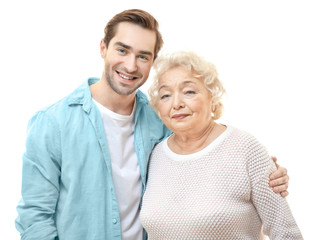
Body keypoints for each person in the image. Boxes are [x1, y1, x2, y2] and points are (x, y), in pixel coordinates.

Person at [15, 9, 290, 240]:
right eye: (122, 50)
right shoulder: (53, 124)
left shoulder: (161, 121)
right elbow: (34, 219)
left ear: (152, 61)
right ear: (103, 47)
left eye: (143, 56)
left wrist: (263, 175)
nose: (131, 65)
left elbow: (204, 157)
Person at [140, 51, 303, 239]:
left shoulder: (246, 148)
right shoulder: (154, 155)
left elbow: (286, 233)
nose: (176, 103)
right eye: (165, 95)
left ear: (212, 97)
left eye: (189, 92)